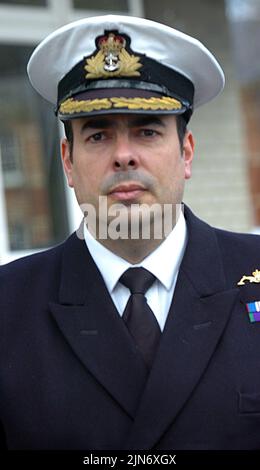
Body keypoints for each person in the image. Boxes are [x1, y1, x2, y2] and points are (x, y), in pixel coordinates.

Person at [0, 14, 260, 451]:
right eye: (98, 135)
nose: (123, 156)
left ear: (187, 152)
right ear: (67, 161)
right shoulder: (8, 307)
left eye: (146, 131)